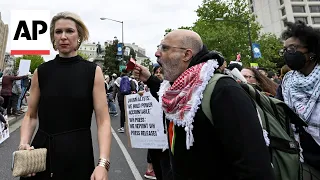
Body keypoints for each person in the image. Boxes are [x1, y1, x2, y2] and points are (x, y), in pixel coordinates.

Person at [134, 29, 275, 180]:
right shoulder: (178, 90)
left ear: (186, 55)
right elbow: (168, 98)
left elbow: (254, 167)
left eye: (165, 48)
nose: (157, 53)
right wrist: (149, 80)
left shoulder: (225, 91)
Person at [19, 11, 111, 180]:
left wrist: (103, 163)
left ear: (79, 36)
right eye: (58, 31)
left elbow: (103, 120)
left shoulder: (92, 72)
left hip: (78, 156)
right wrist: (23, 144)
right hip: (41, 154)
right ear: (53, 37)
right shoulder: (42, 71)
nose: (63, 36)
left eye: (69, 31)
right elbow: (31, 115)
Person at [281, 20, 320, 171]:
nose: (287, 54)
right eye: (284, 50)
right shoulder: (287, 83)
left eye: (292, 49)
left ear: (311, 52)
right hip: (306, 161)